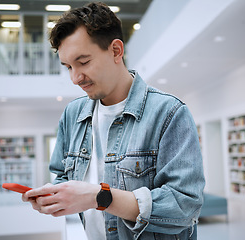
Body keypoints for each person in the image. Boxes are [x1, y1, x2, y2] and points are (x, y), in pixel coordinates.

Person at [22, 2, 205, 240]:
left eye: (83, 62)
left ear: (116, 51)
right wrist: (53, 197)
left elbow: (185, 207)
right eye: (68, 66)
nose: (75, 78)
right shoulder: (72, 114)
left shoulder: (169, 113)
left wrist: (99, 197)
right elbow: (63, 176)